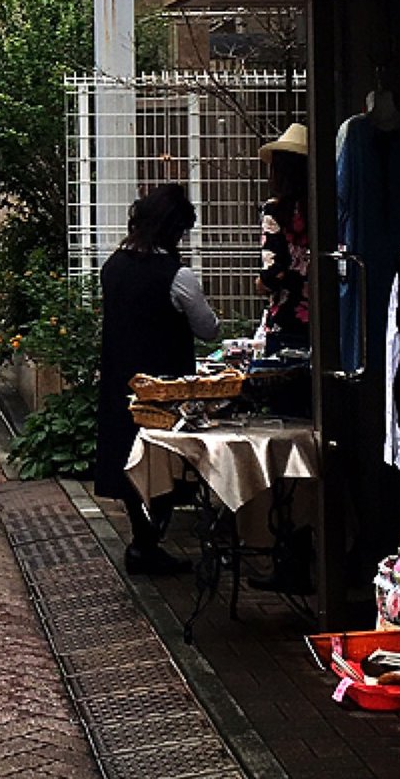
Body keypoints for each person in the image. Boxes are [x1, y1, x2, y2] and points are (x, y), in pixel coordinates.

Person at [95, 183, 220, 576]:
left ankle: (142, 539)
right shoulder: (177, 276)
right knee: (166, 461)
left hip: (122, 380)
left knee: (131, 459)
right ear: (172, 229)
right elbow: (208, 329)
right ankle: (148, 541)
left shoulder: (113, 266)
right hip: (166, 388)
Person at [257, 123, 311, 355]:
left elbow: (274, 270)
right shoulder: (327, 208)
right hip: (327, 314)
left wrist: (260, 284)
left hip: (287, 316)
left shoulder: (276, 210)